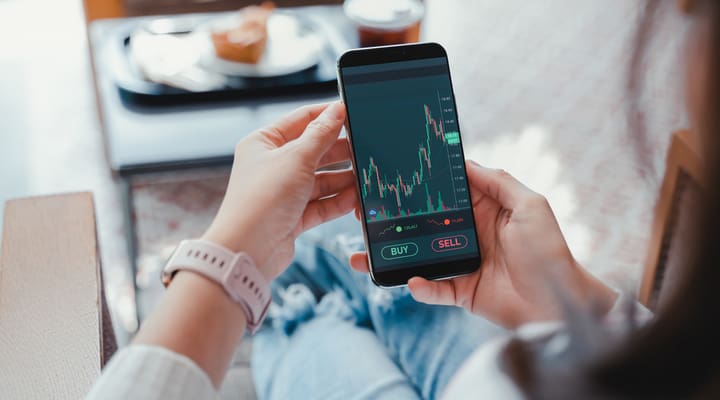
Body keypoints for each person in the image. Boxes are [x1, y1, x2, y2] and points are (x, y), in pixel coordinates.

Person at [87, 1, 720, 398]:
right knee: (386, 277)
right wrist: (570, 299)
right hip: (556, 361)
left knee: (307, 306)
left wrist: (229, 257)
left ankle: (297, 303)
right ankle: (320, 290)